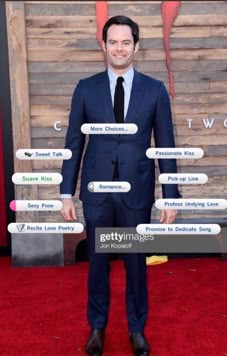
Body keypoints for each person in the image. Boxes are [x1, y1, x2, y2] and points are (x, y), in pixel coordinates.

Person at [60, 15, 181, 356]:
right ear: (103, 44)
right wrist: (65, 192)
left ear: (136, 46)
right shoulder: (86, 87)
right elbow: (73, 143)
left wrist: (171, 195)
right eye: (112, 41)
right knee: (97, 261)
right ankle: (97, 327)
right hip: (97, 193)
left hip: (137, 192)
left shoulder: (155, 90)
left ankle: (136, 328)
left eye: (125, 42)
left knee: (135, 262)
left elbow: (166, 146)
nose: (119, 48)